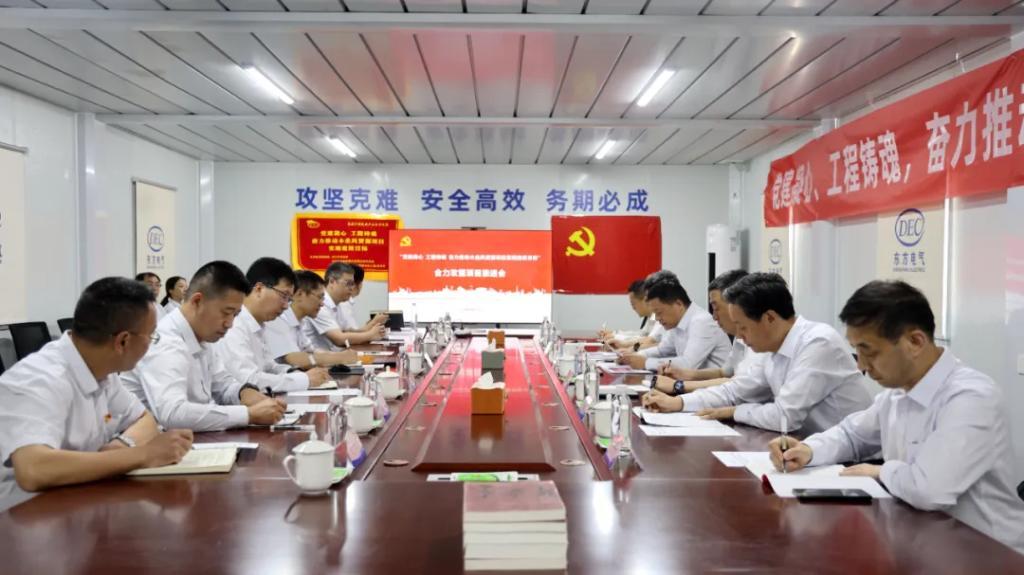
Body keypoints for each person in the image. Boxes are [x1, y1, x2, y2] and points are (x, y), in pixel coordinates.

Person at [768, 280, 1024, 555]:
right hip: (921, 537)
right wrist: (808, 450)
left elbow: (929, 490)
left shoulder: (972, 397)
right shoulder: (898, 393)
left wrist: (880, 471)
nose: (861, 365)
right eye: (857, 351)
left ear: (915, 342)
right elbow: (852, 435)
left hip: (987, 553)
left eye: (869, 351)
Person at [0, 277, 194, 511]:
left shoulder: (102, 370)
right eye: (151, 337)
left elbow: (145, 419)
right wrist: (143, 455)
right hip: (23, 517)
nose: (152, 345)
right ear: (123, 341)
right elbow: (33, 470)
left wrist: (119, 447)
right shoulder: (39, 379)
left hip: (79, 503)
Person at [642, 272, 872, 434]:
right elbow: (735, 390)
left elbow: (784, 417)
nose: (740, 336)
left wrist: (734, 411)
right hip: (806, 447)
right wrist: (678, 403)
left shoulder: (817, 342)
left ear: (769, 318)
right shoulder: (773, 347)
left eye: (743, 327)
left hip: (848, 459)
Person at [122, 261, 286, 432]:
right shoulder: (166, 341)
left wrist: (244, 393)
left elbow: (223, 384)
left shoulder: (203, 335)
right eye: (226, 312)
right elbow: (172, 413)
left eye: (235, 315)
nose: (230, 324)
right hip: (151, 441)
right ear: (197, 301)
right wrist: (248, 414)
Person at [216, 258, 331, 393]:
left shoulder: (259, 324)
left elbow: (270, 367)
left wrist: (296, 373)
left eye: (289, 299)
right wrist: (304, 379)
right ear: (259, 289)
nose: (286, 306)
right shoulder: (234, 325)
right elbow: (248, 380)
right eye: (284, 296)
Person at [653, 269, 765, 393]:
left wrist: (678, 385)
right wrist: (684, 374)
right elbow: (724, 372)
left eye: (716, 308)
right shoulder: (740, 336)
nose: (714, 317)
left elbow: (738, 384)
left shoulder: (761, 340)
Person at [617, 278, 731, 371]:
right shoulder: (674, 322)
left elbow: (688, 364)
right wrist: (635, 355)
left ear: (678, 304)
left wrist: (644, 361)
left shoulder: (701, 322)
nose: (657, 318)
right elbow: (661, 349)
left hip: (713, 387)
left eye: (659, 313)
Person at [264, 270, 359, 369]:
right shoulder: (278, 319)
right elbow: (296, 360)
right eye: (319, 297)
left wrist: (340, 355)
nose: (322, 303)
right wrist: (339, 358)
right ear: (300, 294)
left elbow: (312, 351)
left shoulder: (300, 321)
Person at [302, 261, 385, 350]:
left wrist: (372, 329)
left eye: (352, 284)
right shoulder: (320, 305)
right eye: (348, 283)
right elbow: (339, 339)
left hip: (333, 355)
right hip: (320, 357)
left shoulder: (339, 303)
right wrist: (370, 335)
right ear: (332, 282)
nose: (352, 288)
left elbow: (347, 332)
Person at [599, 279, 665, 351]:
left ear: (645, 300)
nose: (633, 308)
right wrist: (615, 335)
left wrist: (626, 345)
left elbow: (650, 341)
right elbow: (642, 336)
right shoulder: (652, 316)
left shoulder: (661, 316)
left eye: (633, 304)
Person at [339, 263, 388, 332]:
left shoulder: (345, 302)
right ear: (358, 284)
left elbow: (352, 331)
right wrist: (374, 322)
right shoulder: (344, 304)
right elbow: (352, 335)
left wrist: (370, 324)